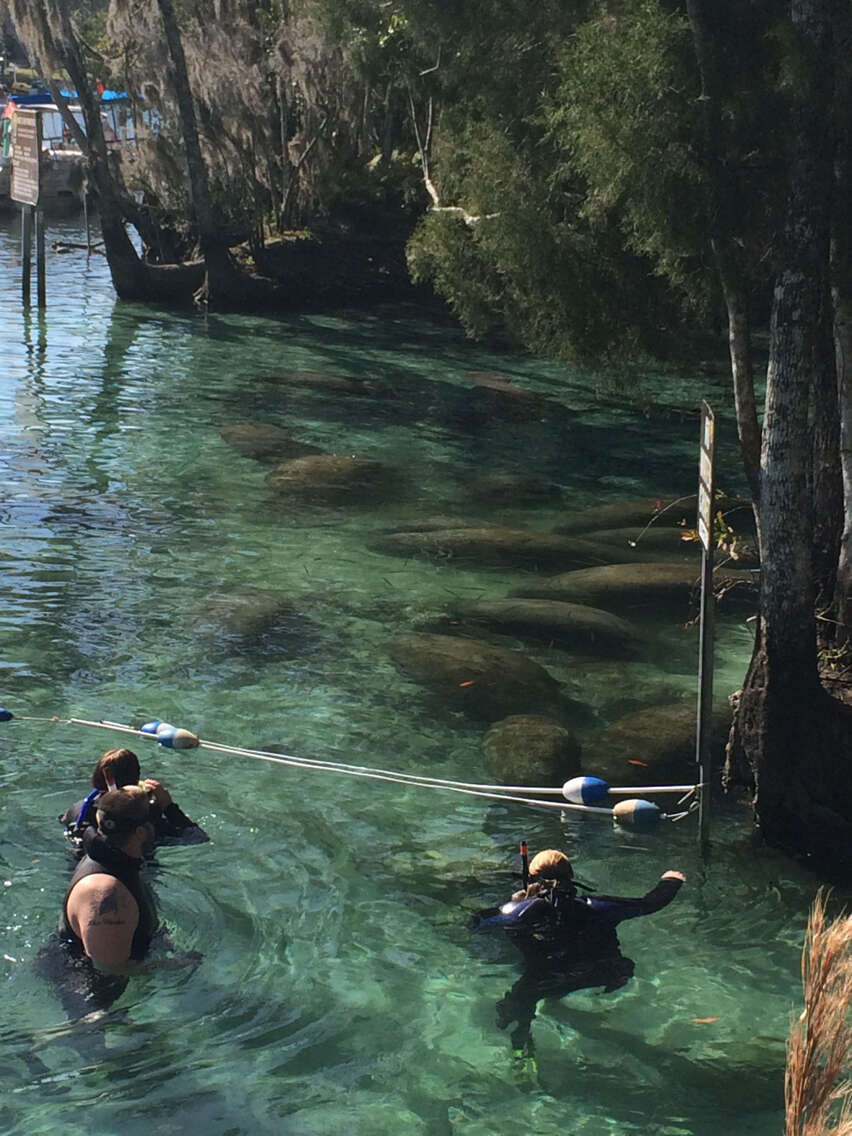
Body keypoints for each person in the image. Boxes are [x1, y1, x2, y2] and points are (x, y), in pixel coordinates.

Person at [473, 848, 685, 1059]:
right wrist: (671, 880)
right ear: (571, 876)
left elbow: (476, 922)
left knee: (514, 1008)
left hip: (545, 980)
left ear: (531, 879)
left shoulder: (518, 913)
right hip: (599, 974)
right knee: (614, 965)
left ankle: (521, 1049)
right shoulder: (598, 907)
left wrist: (512, 905)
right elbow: (650, 904)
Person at [59, 746, 206, 850]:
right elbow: (196, 837)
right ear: (136, 778)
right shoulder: (143, 816)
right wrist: (168, 806)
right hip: (133, 876)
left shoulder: (78, 810)